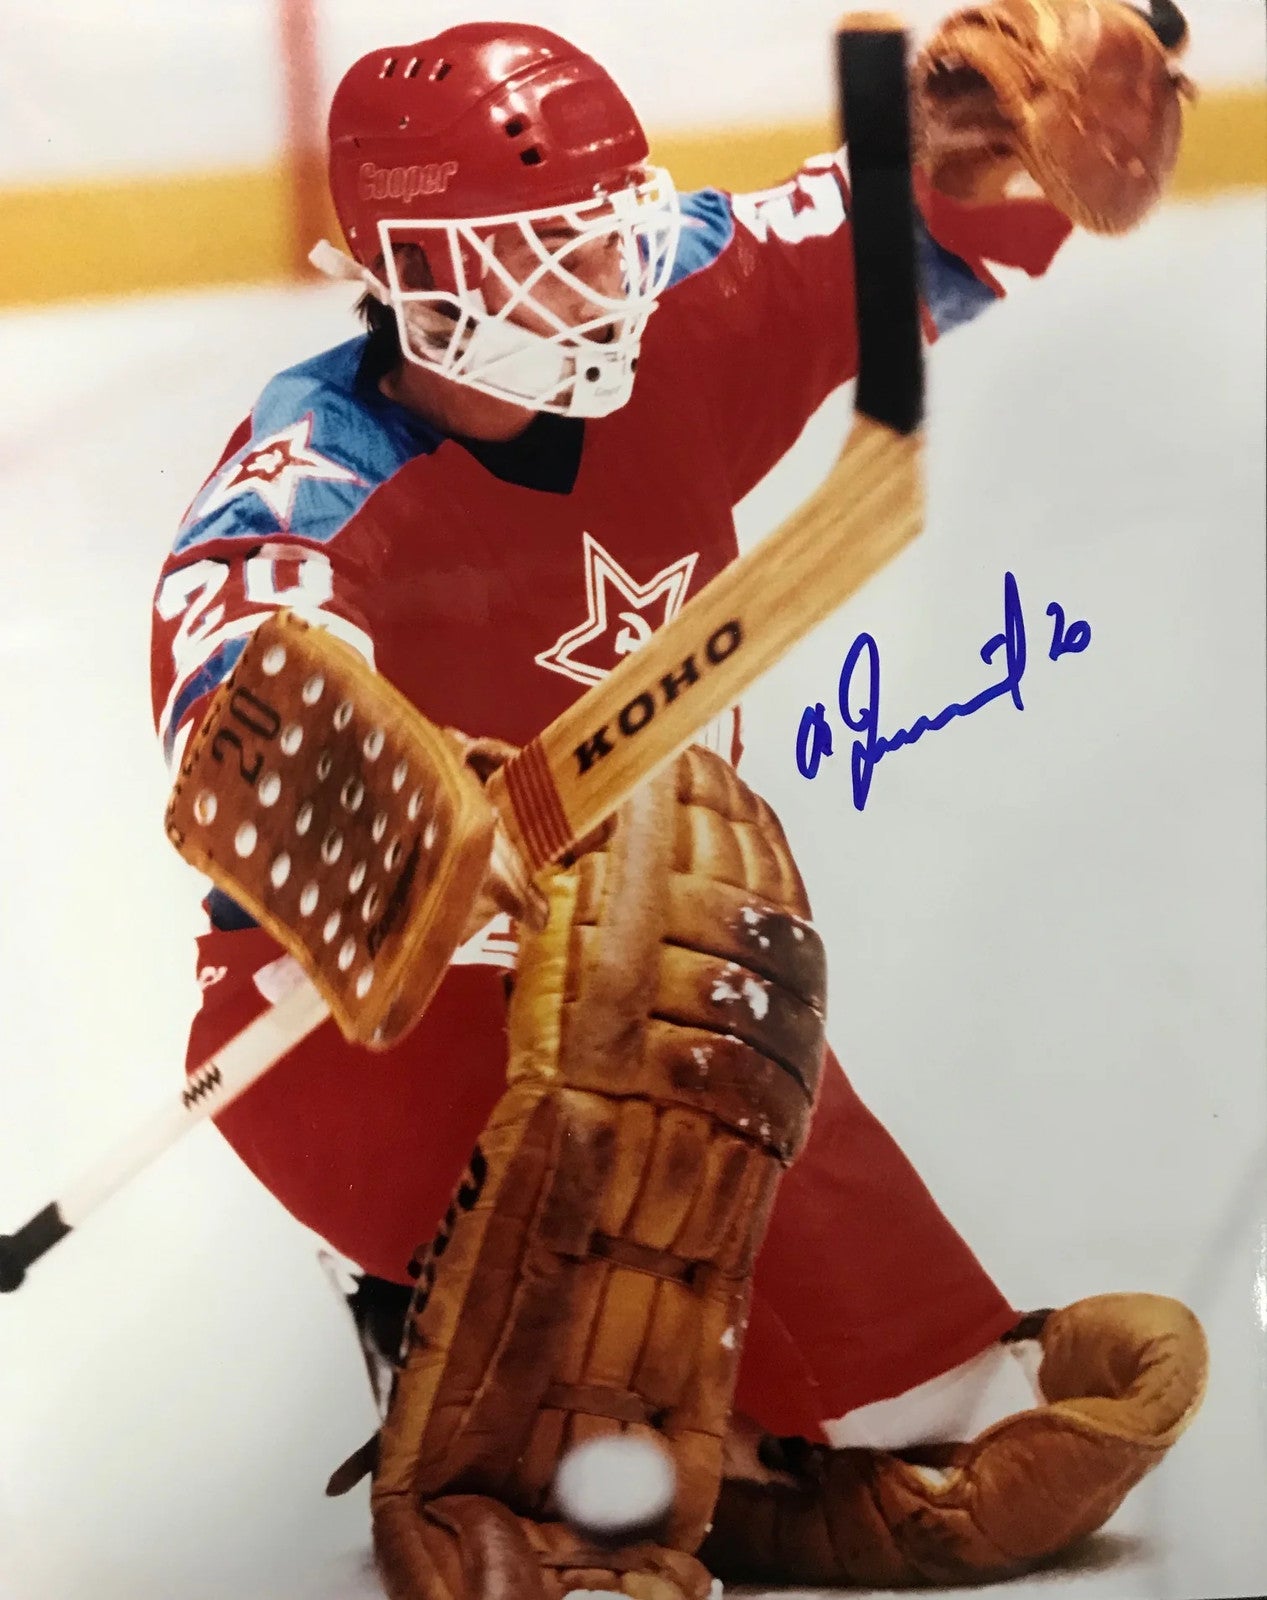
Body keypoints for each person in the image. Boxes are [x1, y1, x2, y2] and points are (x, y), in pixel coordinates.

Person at [150, 11, 1205, 1587]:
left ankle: (764, 1405)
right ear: (423, 278)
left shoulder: (672, 303)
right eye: (547, 255)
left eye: (609, 230)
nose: (608, 281)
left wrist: (987, 144)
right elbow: (235, 665)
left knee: (716, 1002)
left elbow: (881, 224)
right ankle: (477, 1337)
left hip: (654, 947)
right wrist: (389, 800)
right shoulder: (315, 467)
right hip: (354, 1009)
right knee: (665, 1028)